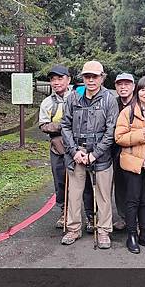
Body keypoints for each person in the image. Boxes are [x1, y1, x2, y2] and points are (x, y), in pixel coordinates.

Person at [60, 61, 119, 248]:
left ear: (102, 77)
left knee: (103, 195)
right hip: (76, 153)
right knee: (74, 194)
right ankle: (73, 229)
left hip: (101, 156)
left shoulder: (109, 99)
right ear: (82, 78)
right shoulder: (72, 98)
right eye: (87, 76)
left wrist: (95, 154)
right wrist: (74, 151)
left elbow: (112, 131)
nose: (91, 80)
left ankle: (103, 231)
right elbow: (65, 126)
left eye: (95, 76)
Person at [38, 65, 94, 230]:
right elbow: (43, 125)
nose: (56, 83)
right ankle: (65, 212)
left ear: (68, 80)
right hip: (59, 148)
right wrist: (63, 126)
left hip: (79, 147)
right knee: (61, 181)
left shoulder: (80, 96)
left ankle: (91, 215)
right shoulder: (48, 102)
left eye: (60, 78)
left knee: (86, 182)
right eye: (53, 79)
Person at [115, 76, 145, 254]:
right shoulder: (127, 112)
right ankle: (132, 235)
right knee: (132, 200)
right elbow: (119, 138)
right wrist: (142, 134)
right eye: (143, 89)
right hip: (132, 163)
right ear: (137, 91)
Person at [112, 73, 135, 231]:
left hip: (135, 151)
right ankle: (123, 217)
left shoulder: (139, 104)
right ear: (116, 87)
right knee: (119, 185)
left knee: (136, 187)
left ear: (133, 86)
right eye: (120, 84)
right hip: (115, 150)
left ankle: (139, 220)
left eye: (127, 84)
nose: (123, 87)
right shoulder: (112, 103)